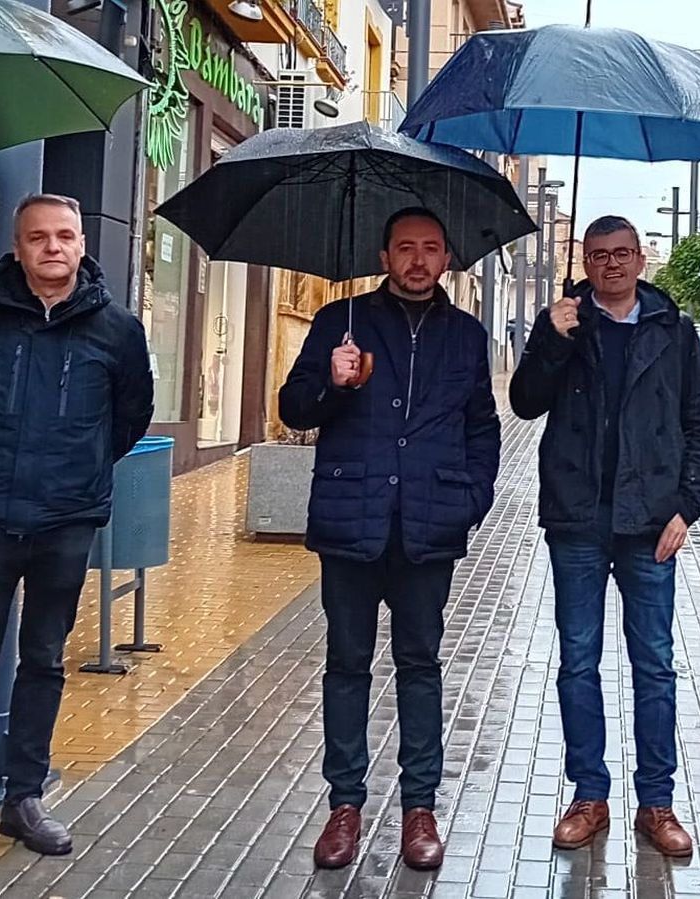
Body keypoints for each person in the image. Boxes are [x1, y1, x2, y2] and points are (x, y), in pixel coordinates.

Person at [0, 194, 153, 867]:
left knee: (45, 659)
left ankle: (24, 798)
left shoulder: (117, 329)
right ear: (17, 247)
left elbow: (131, 415)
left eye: (65, 235)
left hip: (66, 520)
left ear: (82, 243)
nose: (53, 247)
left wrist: (78, 468)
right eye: (38, 237)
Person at [280, 208, 501, 872]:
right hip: (352, 522)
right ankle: (344, 806)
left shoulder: (466, 335)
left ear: (446, 260)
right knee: (346, 665)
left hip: (428, 527)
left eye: (430, 248)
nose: (417, 259)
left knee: (420, 665)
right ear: (384, 255)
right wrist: (333, 384)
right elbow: (292, 408)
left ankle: (419, 807)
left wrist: (470, 499)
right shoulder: (339, 322)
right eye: (405, 247)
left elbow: (482, 427)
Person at [508, 215, 700, 858]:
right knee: (577, 662)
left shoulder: (674, 331)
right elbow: (523, 402)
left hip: (650, 525)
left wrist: (686, 507)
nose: (612, 265)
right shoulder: (567, 322)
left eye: (623, 253)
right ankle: (589, 795)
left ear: (641, 257)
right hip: (577, 519)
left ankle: (656, 802)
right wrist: (550, 338)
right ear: (586, 259)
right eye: (599, 255)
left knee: (654, 663)